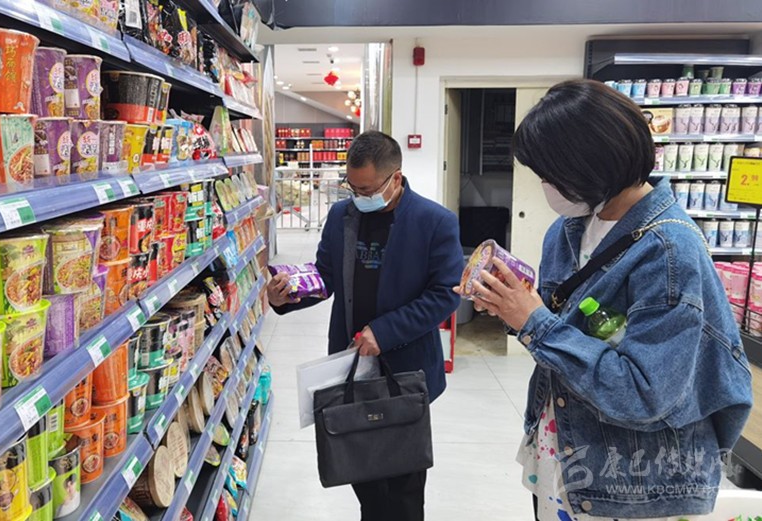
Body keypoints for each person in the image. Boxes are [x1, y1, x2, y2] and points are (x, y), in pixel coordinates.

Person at [457, 79, 753, 520]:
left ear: (590, 166)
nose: (545, 186)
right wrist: (512, 307)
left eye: (550, 174)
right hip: (563, 446)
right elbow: (561, 329)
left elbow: (644, 393)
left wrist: (534, 322)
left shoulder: (668, 252)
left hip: (631, 478)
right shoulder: (569, 229)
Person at [268, 130, 464, 521]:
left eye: (367, 189)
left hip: (406, 368)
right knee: (362, 470)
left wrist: (384, 332)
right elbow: (326, 275)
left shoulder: (434, 222)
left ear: (396, 178)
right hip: (352, 364)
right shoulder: (342, 215)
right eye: (352, 187)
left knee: (404, 482)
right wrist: (287, 296)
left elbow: (445, 294)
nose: (359, 196)